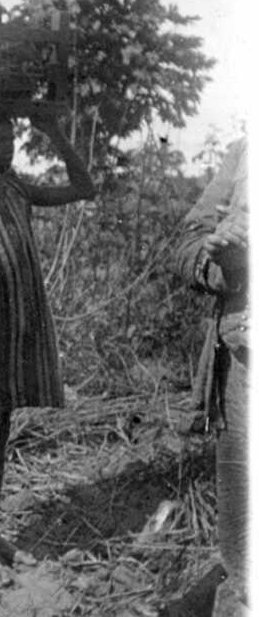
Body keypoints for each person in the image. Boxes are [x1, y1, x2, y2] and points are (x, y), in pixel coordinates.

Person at [0, 110, 95, 582]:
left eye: (11, 138)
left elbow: (84, 187)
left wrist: (56, 131)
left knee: (1, 429)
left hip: (18, 328)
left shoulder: (16, 190)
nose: (9, 147)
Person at [174, 138, 247, 616]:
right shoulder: (245, 153)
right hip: (246, 367)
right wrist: (226, 264)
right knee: (242, 544)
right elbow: (187, 244)